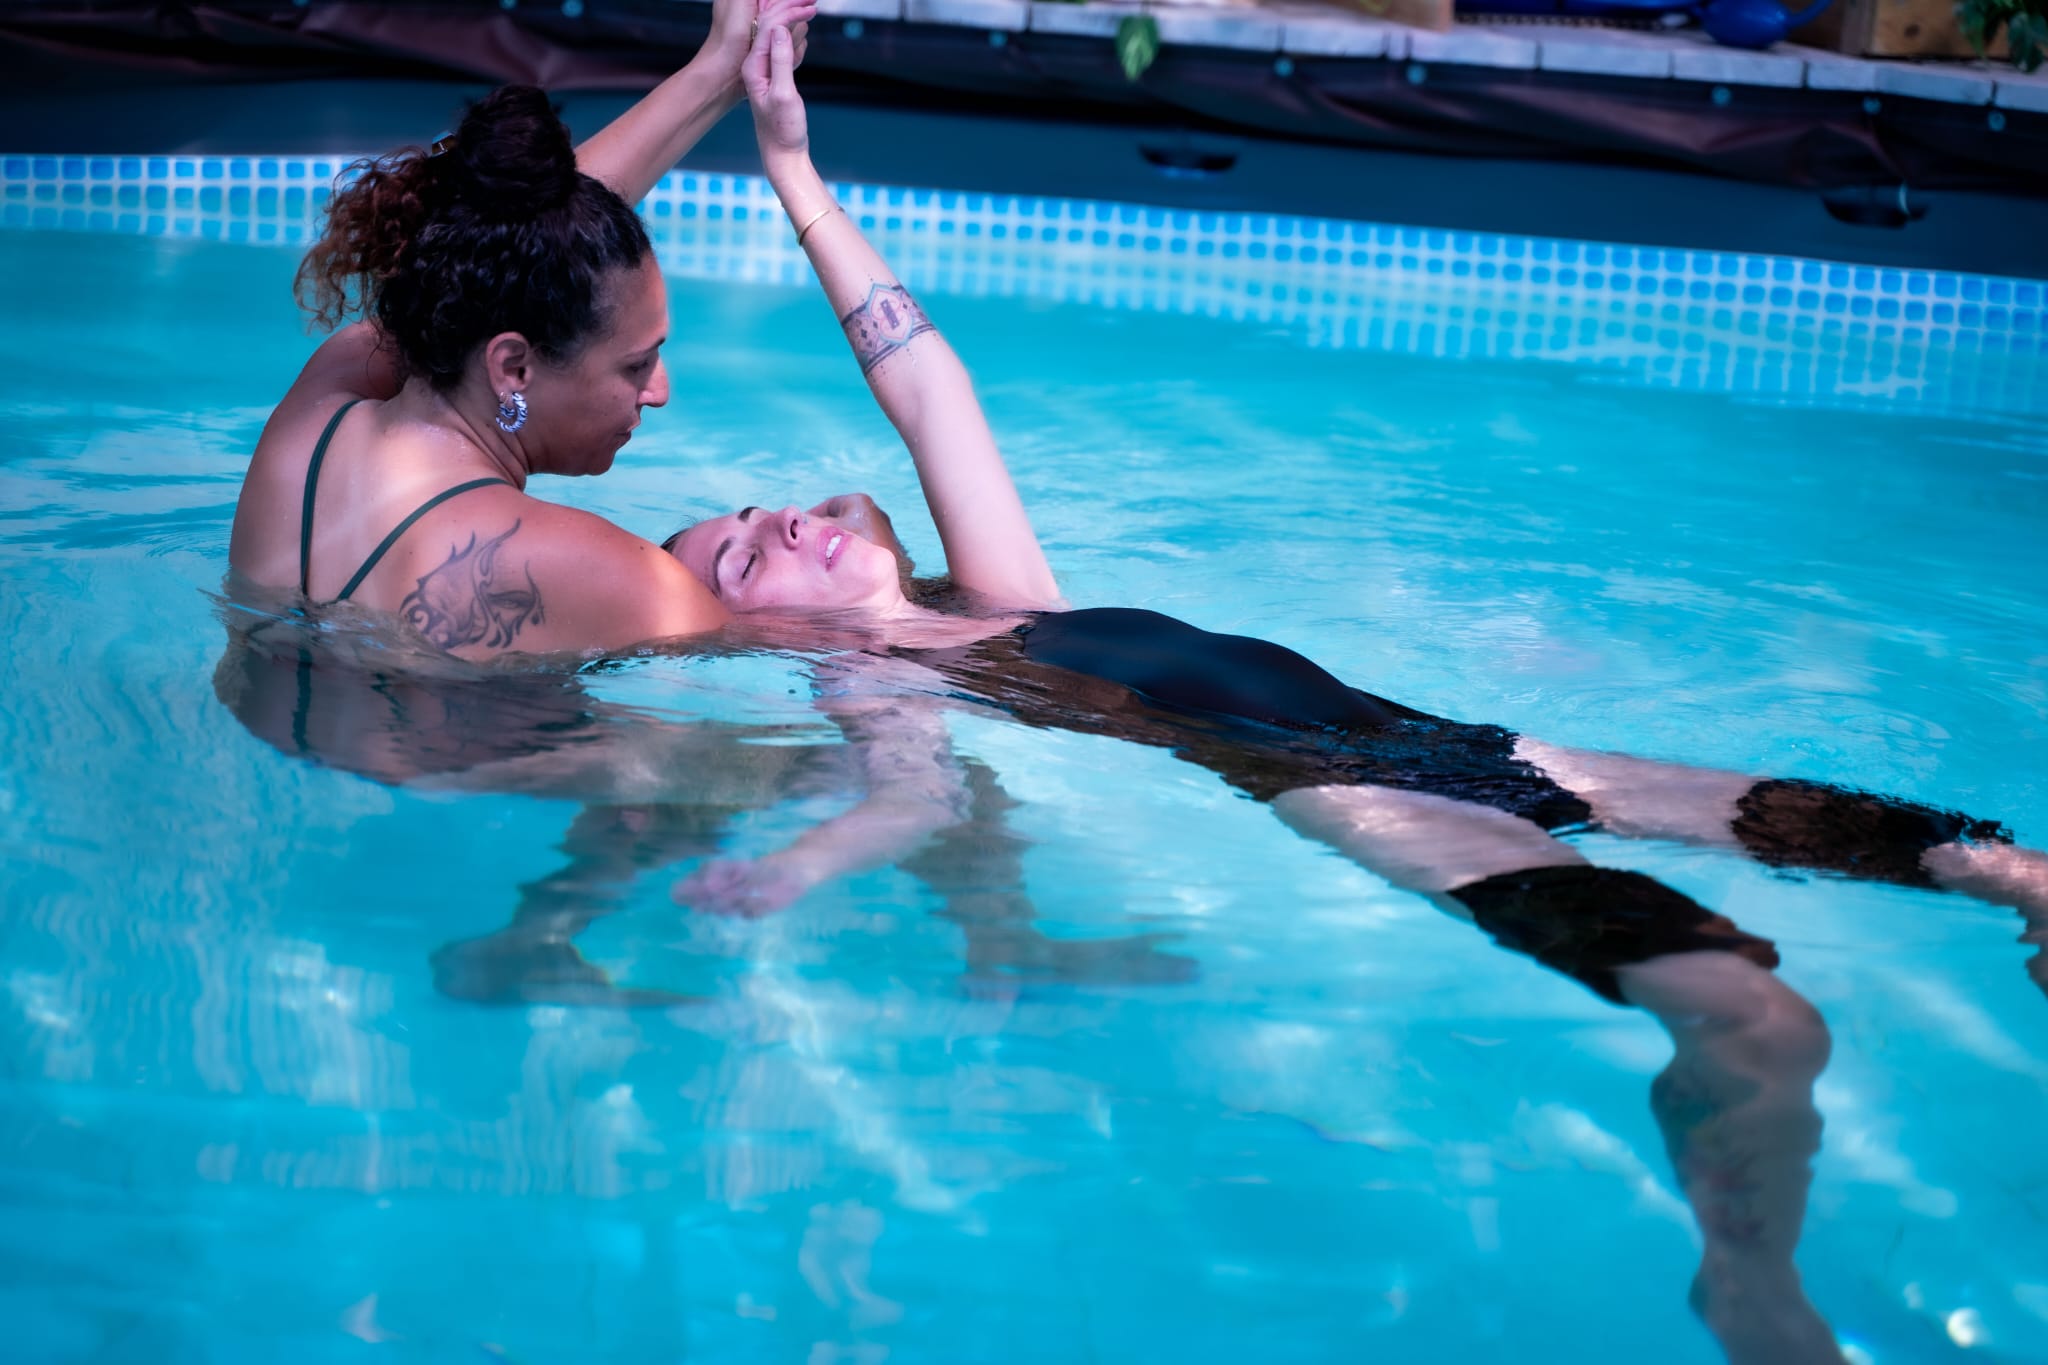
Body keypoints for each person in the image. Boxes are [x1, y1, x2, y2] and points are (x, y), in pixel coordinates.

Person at [658, 22, 2048, 1361]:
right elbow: (907, 799)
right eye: (741, 553)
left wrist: (791, 165)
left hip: (1453, 741)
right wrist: (796, 868)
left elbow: (928, 387)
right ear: (738, 629)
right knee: (1756, 1017)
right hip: (1353, 789)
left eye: (767, 508)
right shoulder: (880, 678)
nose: (779, 522)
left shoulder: (1002, 599)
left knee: (1946, 852)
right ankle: (1742, 1278)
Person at [227, 0, 815, 658]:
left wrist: (719, 69)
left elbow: (514, 247)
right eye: (636, 364)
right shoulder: (620, 581)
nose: (659, 391)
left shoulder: (319, 408)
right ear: (513, 368)